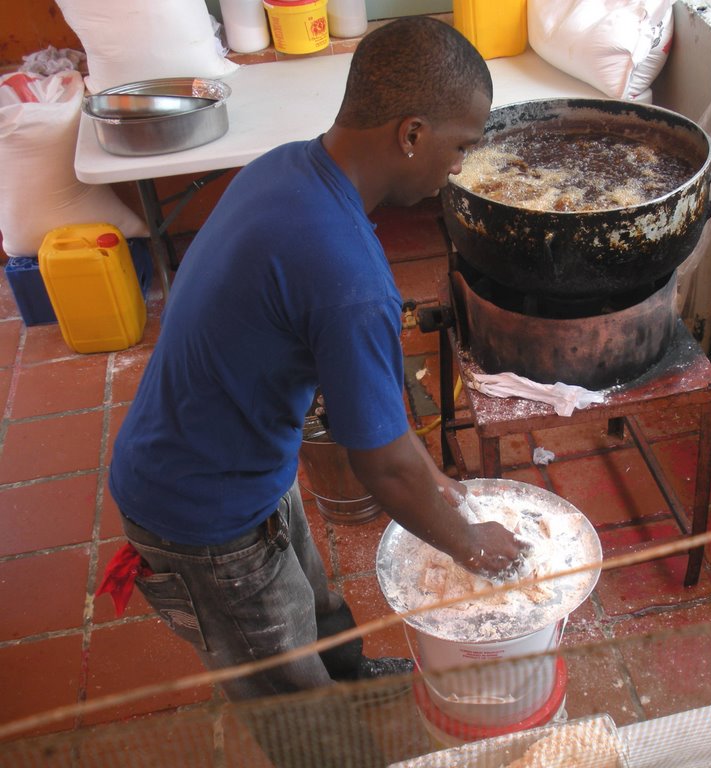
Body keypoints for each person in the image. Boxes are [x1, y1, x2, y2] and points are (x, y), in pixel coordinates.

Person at [108, 16, 524, 702]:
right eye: (459, 146)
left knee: (314, 606)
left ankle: (352, 682)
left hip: (239, 461)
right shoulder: (349, 281)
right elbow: (382, 464)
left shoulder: (287, 165)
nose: (459, 167)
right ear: (412, 133)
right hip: (203, 516)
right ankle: (328, 735)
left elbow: (390, 438)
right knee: (291, 697)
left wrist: (449, 496)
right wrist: (470, 543)